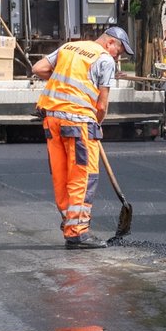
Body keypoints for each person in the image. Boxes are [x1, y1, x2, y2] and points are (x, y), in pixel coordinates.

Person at [31, 26, 134, 249]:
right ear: (109, 43)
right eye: (120, 51)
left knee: (62, 176)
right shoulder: (105, 59)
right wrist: (96, 122)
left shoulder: (70, 47)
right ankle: (77, 232)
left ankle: (69, 224)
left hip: (52, 121)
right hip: (79, 124)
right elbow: (103, 104)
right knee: (84, 176)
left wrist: (65, 87)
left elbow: (38, 68)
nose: (119, 56)